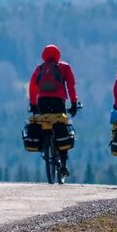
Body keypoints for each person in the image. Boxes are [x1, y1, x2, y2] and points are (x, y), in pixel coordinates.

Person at [28, 44, 78, 177]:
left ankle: (45, 141)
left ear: (43, 55)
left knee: (44, 121)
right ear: (58, 55)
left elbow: (32, 86)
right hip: (58, 101)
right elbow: (71, 85)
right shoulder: (64, 67)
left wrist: (33, 104)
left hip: (42, 101)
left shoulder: (40, 68)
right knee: (61, 126)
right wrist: (73, 103)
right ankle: (63, 163)